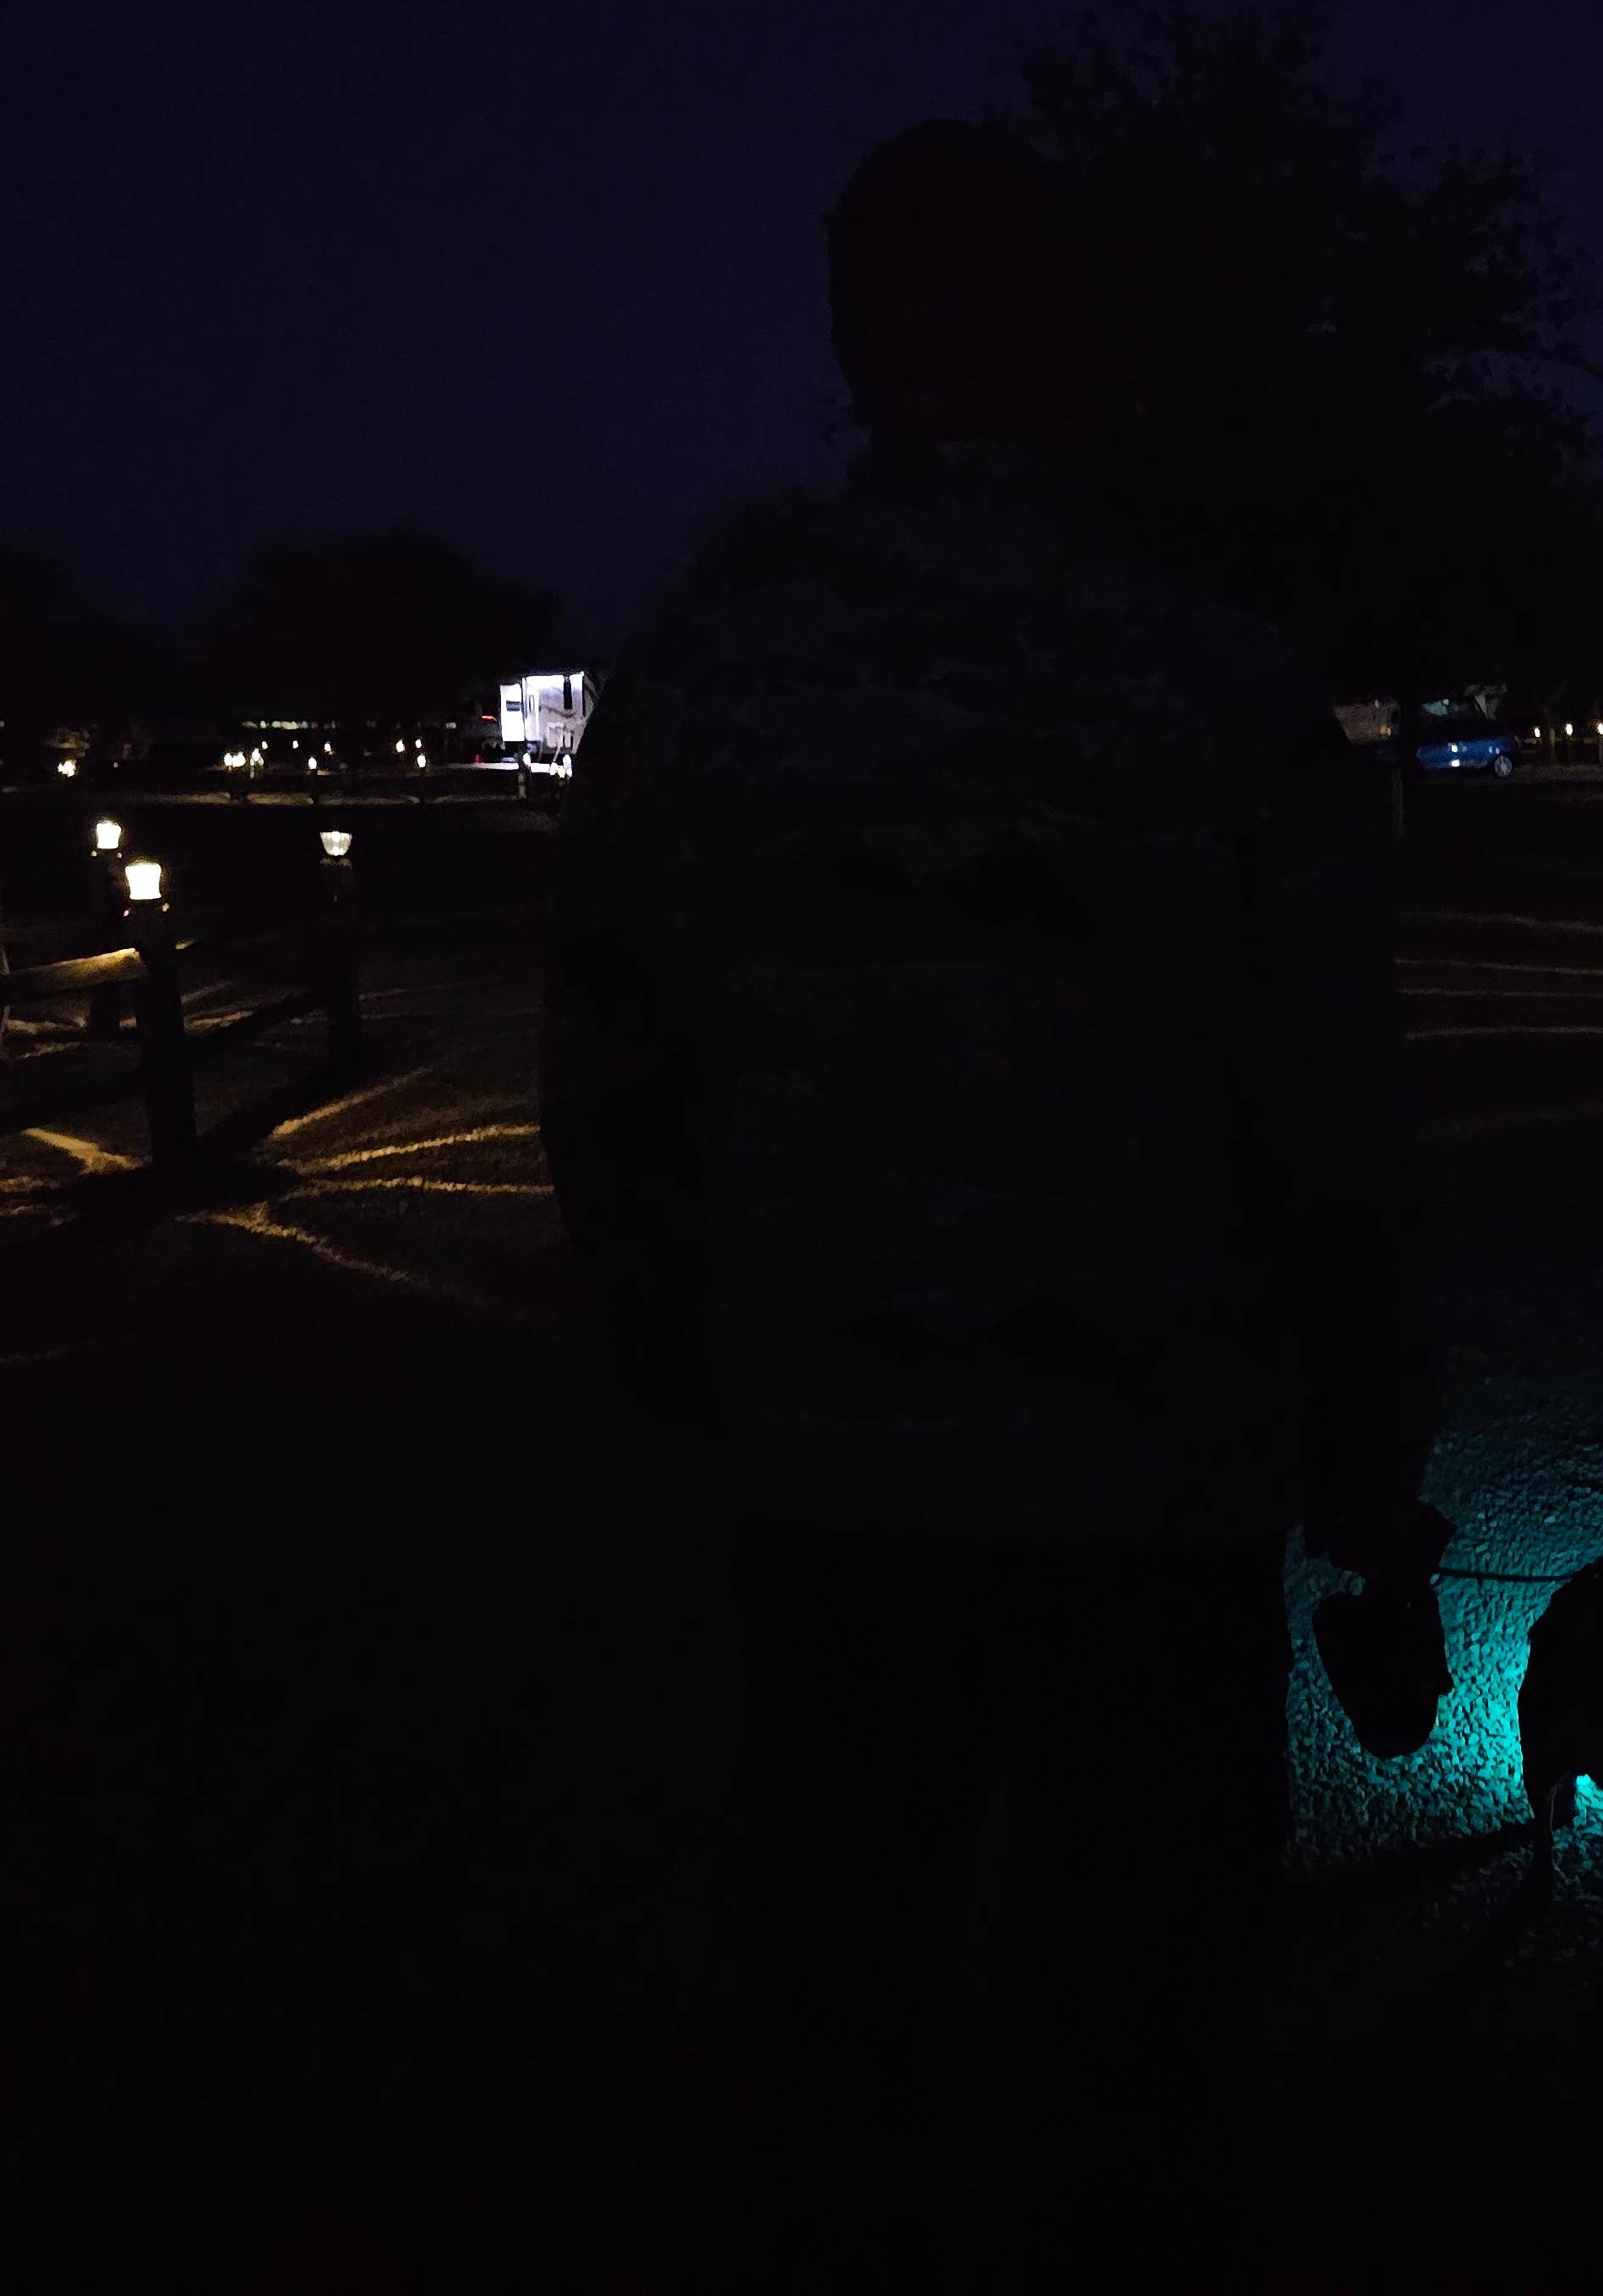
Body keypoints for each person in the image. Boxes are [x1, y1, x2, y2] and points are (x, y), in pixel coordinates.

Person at [539, 118, 1446, 2274]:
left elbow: (605, 1091)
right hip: (1155, 1502)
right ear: (1084, 346)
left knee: (837, 2009)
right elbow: (1333, 1125)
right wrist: (1365, 1464)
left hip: (829, 1492)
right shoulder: (1217, 688)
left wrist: (710, 1370)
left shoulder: (697, 685)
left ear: (854, 347)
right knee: (1128, 2048)